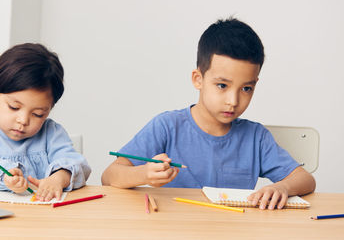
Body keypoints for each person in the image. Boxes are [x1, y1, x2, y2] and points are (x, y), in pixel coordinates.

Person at [102, 18, 316, 210]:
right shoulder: (167, 126)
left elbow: (305, 179)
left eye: (246, 89)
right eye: (222, 85)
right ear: (198, 79)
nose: (233, 101)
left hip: (234, 231)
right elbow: (109, 176)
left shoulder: (255, 137)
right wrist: (143, 174)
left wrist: (283, 187)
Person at [0, 43, 91, 202]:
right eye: (14, 107)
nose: (23, 121)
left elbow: (75, 162)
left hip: (41, 218)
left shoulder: (52, 133)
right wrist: (5, 175)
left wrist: (58, 178)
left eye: (38, 114)